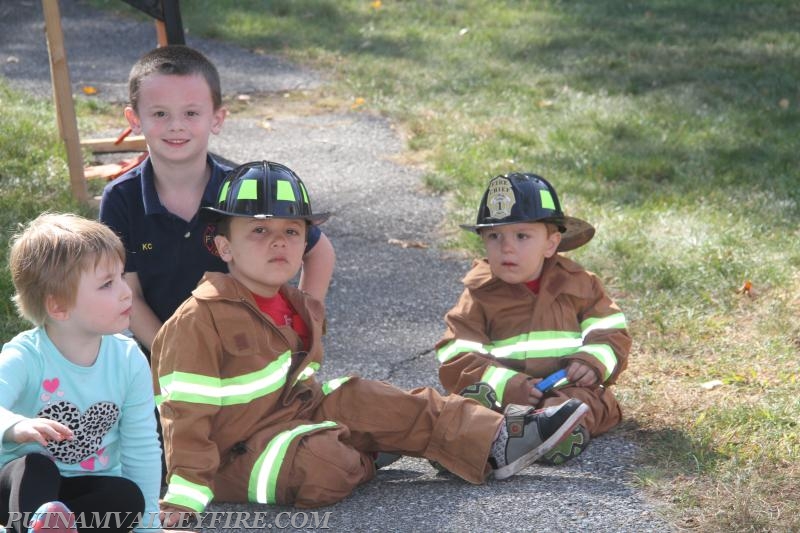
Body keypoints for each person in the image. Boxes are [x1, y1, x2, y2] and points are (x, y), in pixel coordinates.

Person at [150, 161, 589, 521]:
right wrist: (186, 496)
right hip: (232, 455)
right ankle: (381, 446)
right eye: (258, 232)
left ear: (305, 241)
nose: (277, 243)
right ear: (224, 246)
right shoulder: (199, 319)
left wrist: (354, 409)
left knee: (375, 398)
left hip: (291, 415)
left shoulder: (296, 303)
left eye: (290, 231)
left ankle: (500, 438)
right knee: (327, 466)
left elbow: (301, 385)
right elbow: (184, 415)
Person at [99, 45, 335, 353]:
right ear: (134, 119)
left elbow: (319, 251)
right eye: (160, 113)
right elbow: (128, 293)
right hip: (164, 358)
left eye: (191, 113)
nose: (176, 125)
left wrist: (304, 322)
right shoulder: (121, 198)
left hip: (251, 354)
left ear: (217, 119)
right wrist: (173, 353)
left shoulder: (246, 189)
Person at [435, 173, 632, 465]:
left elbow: (610, 331)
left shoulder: (580, 284)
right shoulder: (479, 294)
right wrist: (511, 385)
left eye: (522, 236)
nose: (507, 247)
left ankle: (546, 430)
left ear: (551, 244)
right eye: (494, 236)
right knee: (469, 405)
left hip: (569, 386)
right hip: (506, 398)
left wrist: (592, 362)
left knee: (587, 405)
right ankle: (475, 437)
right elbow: (457, 354)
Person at [0, 213, 162, 533]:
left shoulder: (129, 359)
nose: (126, 292)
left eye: (121, 276)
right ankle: (35, 526)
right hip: (19, 486)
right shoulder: (25, 356)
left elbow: (141, 446)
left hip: (86, 491)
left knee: (127, 498)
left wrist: (149, 528)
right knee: (37, 467)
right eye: (107, 284)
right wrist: (16, 426)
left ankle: (60, 527)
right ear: (59, 307)